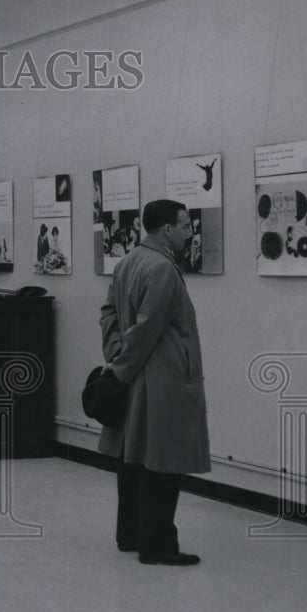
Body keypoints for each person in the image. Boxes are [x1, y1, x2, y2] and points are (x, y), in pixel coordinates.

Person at [98, 199, 210, 566]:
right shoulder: (162, 267)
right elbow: (149, 327)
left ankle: (129, 536)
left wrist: (115, 353)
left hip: (139, 376)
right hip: (161, 379)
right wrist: (122, 366)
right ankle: (157, 546)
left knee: (133, 459)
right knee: (164, 462)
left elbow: (109, 312)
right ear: (166, 229)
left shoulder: (129, 260)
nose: (188, 231)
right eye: (184, 225)